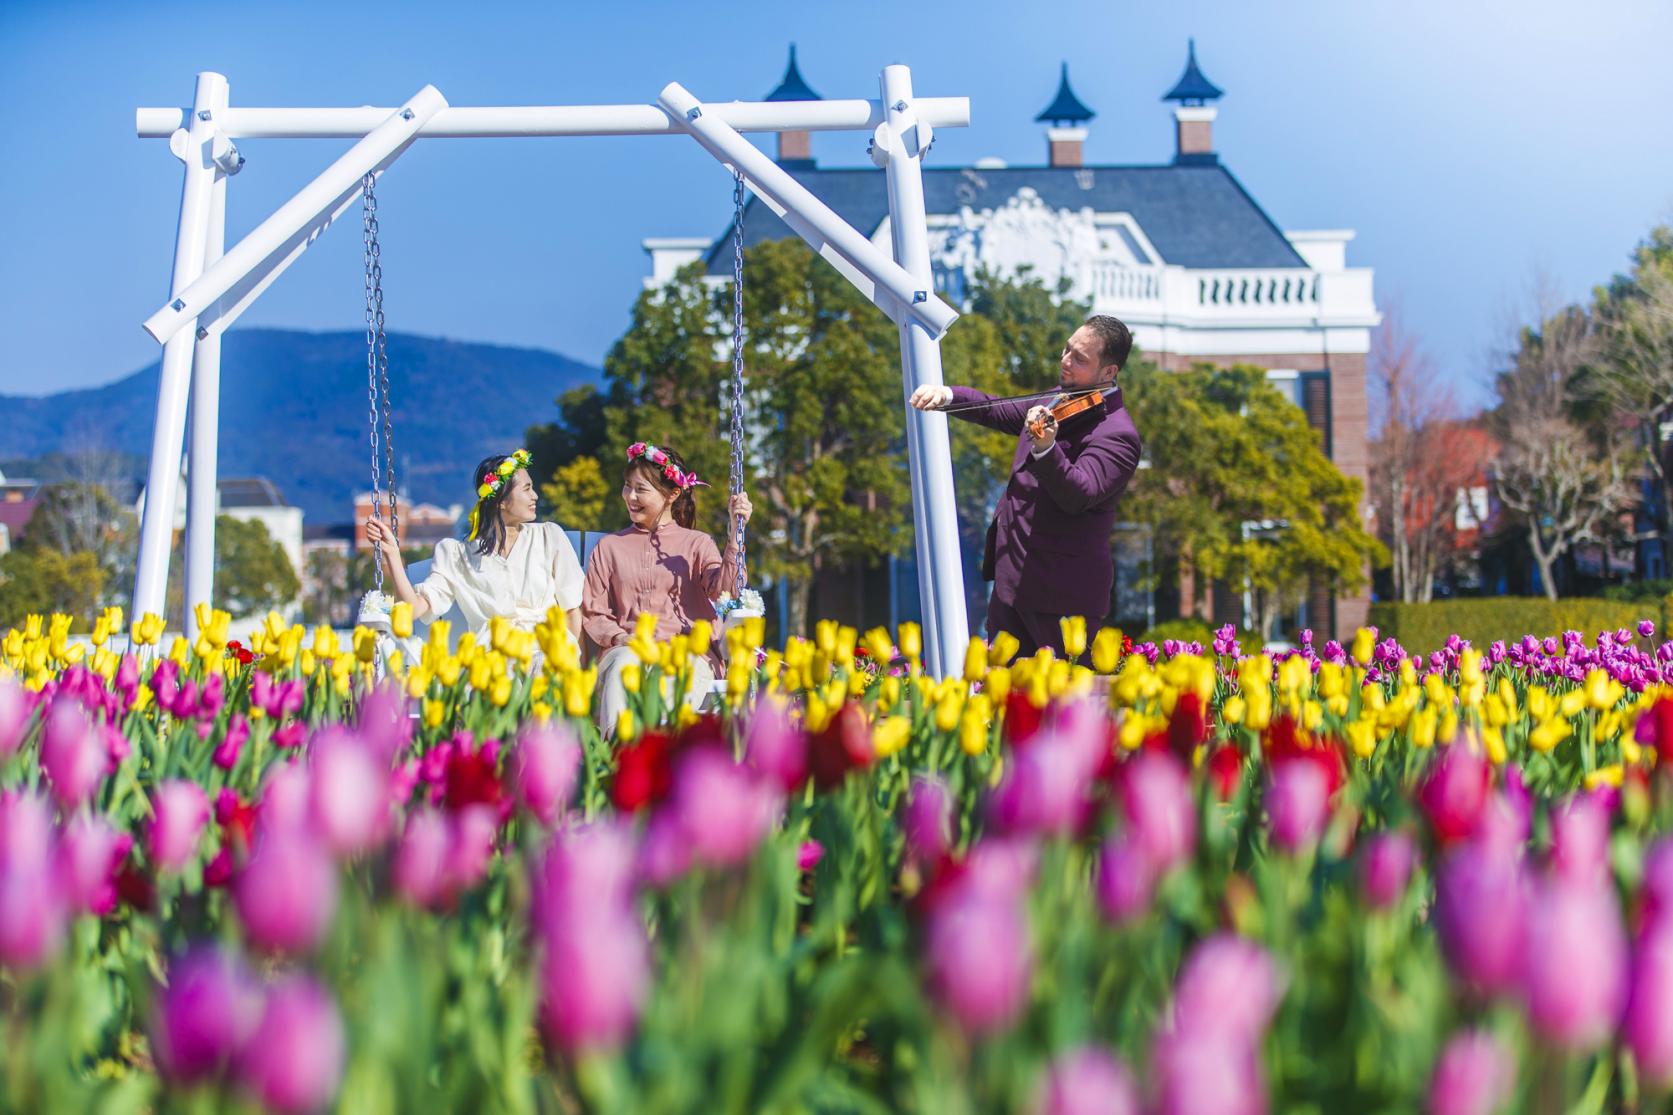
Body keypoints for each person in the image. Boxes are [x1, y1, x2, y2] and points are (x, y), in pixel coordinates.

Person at [910, 314, 1142, 656]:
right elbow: (994, 408)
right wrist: (946, 396)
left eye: (1079, 359)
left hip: (1061, 594)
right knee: (1004, 699)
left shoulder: (1118, 434)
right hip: (1011, 584)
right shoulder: (1055, 400)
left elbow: (1080, 493)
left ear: (1109, 373)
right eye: (1066, 349)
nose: (1065, 361)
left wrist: (1046, 449)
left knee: (1057, 702)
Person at [583, 442, 752, 731]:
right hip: (629, 648)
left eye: (641, 489)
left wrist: (735, 534)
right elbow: (594, 611)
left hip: (687, 652)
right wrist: (618, 638)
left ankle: (667, 763)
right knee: (623, 666)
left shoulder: (697, 543)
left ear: (672, 494)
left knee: (677, 675)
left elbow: (726, 592)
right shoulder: (609, 547)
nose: (630, 497)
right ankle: (616, 762)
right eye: (627, 486)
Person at [365, 448, 584, 649]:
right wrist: (392, 554)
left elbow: (572, 610)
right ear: (501, 501)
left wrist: (572, 668)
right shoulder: (457, 554)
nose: (535, 495)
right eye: (527, 489)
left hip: (545, 650)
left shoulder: (548, 537)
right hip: (492, 658)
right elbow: (413, 609)